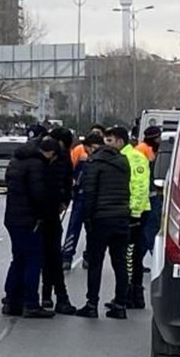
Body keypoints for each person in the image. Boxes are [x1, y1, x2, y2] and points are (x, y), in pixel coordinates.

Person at [78, 128, 132, 319]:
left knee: (95, 263)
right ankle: (120, 305)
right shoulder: (123, 161)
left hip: (100, 219)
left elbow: (89, 194)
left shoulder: (95, 163)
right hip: (121, 217)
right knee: (120, 262)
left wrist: (87, 219)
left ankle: (92, 304)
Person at [2, 136, 57, 318]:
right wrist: (45, 214)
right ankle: (31, 303)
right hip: (30, 219)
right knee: (33, 260)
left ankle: (11, 301)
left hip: (12, 217)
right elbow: (38, 194)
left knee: (18, 259)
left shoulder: (16, 160)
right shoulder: (36, 165)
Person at [40, 128, 75, 314]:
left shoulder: (61, 157)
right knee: (50, 257)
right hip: (43, 214)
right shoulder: (42, 156)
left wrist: (64, 200)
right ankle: (55, 297)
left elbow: (68, 180)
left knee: (50, 257)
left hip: (50, 213)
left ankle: (48, 296)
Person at [62, 125, 107, 270]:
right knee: (74, 227)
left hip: (96, 198)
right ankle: (67, 256)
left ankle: (89, 256)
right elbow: (69, 168)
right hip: (80, 195)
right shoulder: (79, 150)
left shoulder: (104, 155)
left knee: (92, 230)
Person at [117, 127, 152, 309]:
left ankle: (132, 294)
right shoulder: (123, 157)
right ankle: (131, 294)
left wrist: (134, 213)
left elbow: (139, 186)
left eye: (110, 141)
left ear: (120, 141)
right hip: (132, 211)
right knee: (130, 254)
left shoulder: (134, 157)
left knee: (131, 254)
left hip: (136, 212)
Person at [137, 125, 164, 259]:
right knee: (150, 227)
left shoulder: (147, 148)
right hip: (148, 195)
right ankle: (154, 255)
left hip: (149, 194)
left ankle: (139, 259)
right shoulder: (144, 150)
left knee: (147, 228)